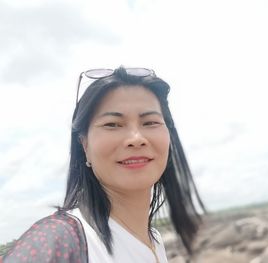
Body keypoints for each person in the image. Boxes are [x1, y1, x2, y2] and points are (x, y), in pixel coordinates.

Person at [1, 66, 205, 263]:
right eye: (112, 124)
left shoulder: (154, 239)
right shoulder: (60, 240)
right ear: (84, 145)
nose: (136, 138)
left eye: (150, 122)